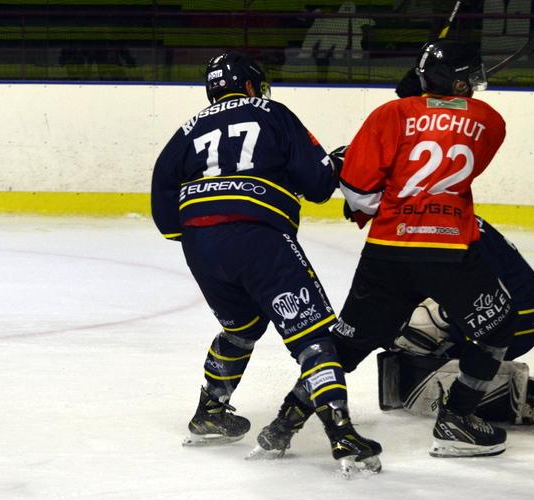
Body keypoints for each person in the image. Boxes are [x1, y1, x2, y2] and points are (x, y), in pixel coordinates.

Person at [254, 39, 516, 459]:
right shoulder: (491, 121)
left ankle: (284, 423)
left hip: (389, 250)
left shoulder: (391, 114)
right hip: (450, 250)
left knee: (349, 345)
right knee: (499, 327)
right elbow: (451, 132)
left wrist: (409, 106)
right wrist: (424, 101)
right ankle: (458, 419)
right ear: (460, 83)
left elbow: (359, 190)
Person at [150, 50, 382, 474]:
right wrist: (340, 160)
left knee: (241, 326)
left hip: (200, 245)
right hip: (257, 237)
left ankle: (210, 412)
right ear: (252, 85)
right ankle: (342, 434)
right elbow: (316, 184)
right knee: (314, 335)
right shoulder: (272, 112)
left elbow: (165, 214)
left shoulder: (186, 131)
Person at [380, 214, 534, 425]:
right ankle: (508, 385)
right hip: (523, 311)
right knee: (421, 318)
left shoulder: (434, 227)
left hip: (514, 317)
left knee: (423, 323)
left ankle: (508, 394)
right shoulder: (445, 214)